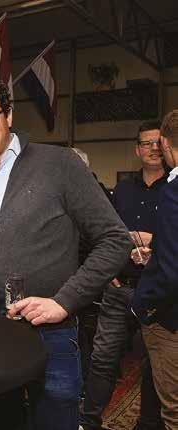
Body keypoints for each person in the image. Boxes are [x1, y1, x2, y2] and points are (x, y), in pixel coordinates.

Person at [0, 74, 130, 430]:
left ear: (8, 114)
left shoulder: (60, 164)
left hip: (53, 336)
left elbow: (115, 239)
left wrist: (64, 302)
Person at [80, 121, 167, 430]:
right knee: (102, 359)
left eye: (158, 142)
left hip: (158, 293)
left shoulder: (174, 189)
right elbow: (103, 235)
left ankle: (149, 423)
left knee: (155, 365)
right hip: (119, 288)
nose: (153, 149)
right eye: (146, 143)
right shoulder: (123, 190)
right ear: (137, 150)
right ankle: (87, 421)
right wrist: (107, 274)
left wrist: (154, 241)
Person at [132, 109, 178, 430]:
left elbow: (172, 273)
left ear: (164, 143)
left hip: (168, 316)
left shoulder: (173, 190)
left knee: (173, 411)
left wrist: (146, 306)